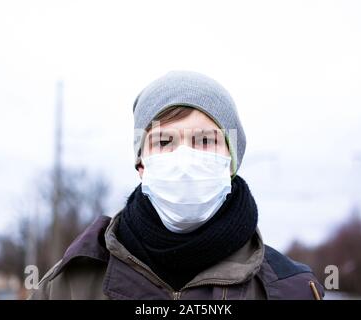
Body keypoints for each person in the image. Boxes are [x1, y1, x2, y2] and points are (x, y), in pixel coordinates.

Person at [29, 71, 324, 300]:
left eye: (205, 141)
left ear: (231, 162)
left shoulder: (292, 290)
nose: (184, 159)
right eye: (164, 141)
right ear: (141, 164)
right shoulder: (67, 286)